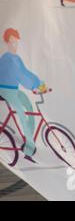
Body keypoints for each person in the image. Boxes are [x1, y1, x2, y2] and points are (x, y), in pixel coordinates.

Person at [0, 29, 46, 163]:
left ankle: (28, 138)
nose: (15, 44)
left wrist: (39, 83)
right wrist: (33, 87)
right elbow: (19, 75)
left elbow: (26, 72)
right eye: (12, 41)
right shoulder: (7, 58)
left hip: (13, 90)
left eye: (16, 41)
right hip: (4, 90)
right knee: (20, 111)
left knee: (29, 107)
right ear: (7, 43)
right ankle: (29, 147)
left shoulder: (17, 58)